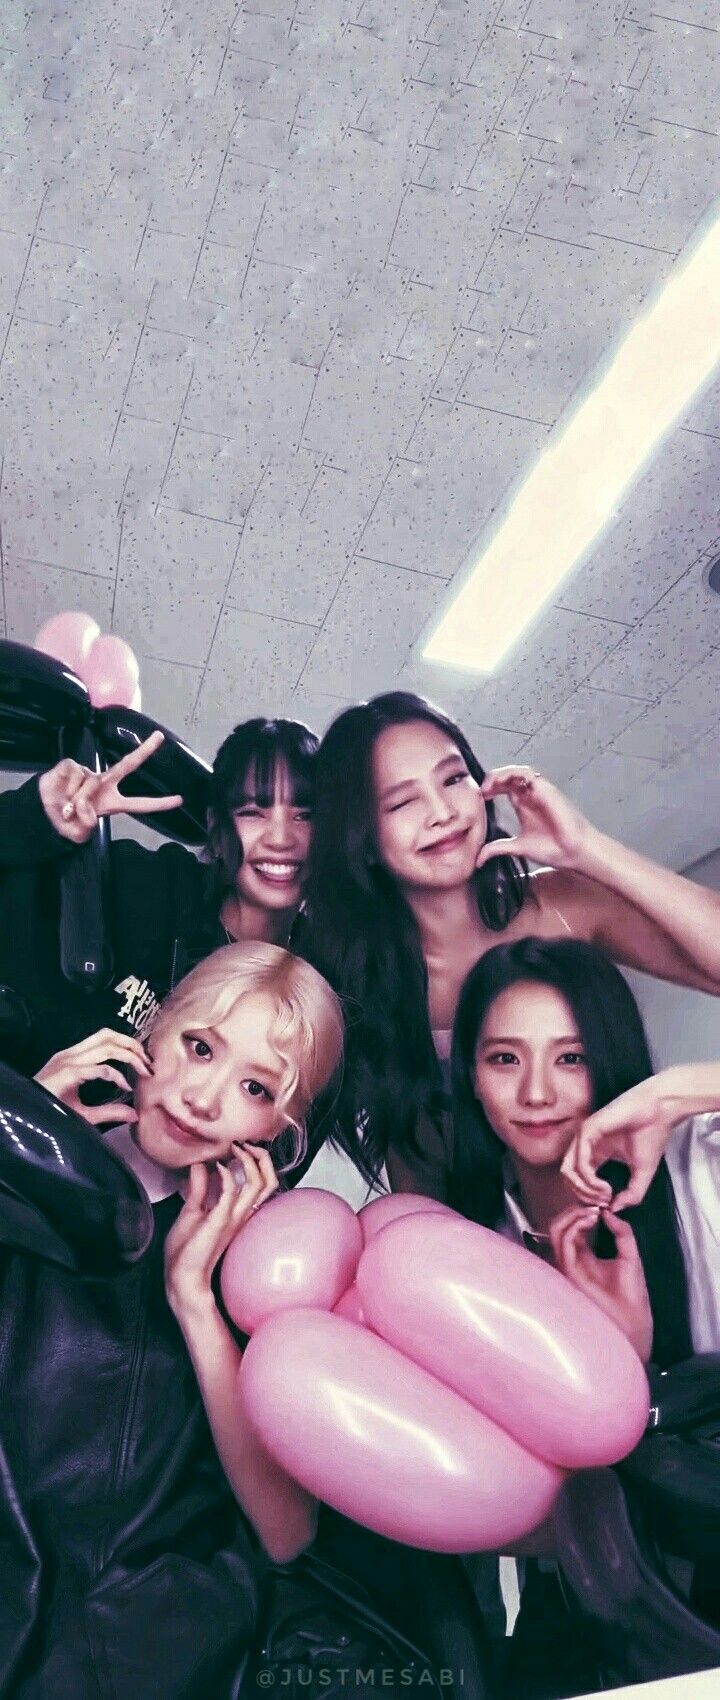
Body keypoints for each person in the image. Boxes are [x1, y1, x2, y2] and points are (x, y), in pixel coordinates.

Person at [0, 941, 344, 1699]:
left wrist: (193, 1298)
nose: (202, 1096)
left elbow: (287, 1535)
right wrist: (25, 1136)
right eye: (198, 1047)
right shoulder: (22, 1147)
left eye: (255, 1087)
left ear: (280, 1133)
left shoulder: (265, 1265)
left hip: (127, 1632)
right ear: (148, 1033)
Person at [297, 691, 720, 1198]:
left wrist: (586, 848)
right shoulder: (361, 979)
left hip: (629, 1197)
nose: (442, 812)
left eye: (454, 779)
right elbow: (409, 1153)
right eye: (402, 802)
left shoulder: (564, 903)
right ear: (362, 839)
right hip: (491, 1231)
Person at [449, 936, 719, 1699]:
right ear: (469, 1076)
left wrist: (673, 1094)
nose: (536, 1093)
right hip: (584, 1604)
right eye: (504, 1059)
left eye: (570, 1058)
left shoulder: (700, 1168)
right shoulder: (464, 1249)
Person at [0, 716, 317, 1074]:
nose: (281, 839)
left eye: (304, 816)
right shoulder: (144, 884)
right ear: (215, 829)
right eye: (252, 813)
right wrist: (32, 820)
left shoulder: (325, 975)